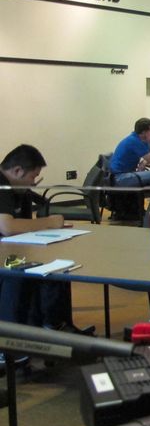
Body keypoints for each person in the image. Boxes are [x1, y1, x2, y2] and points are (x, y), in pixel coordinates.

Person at [0, 146, 82, 369]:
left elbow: (23, 227)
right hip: (6, 255)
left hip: (10, 251)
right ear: (17, 171)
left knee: (56, 266)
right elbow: (7, 227)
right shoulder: (2, 185)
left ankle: (53, 325)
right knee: (18, 274)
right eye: (33, 176)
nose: (35, 182)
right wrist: (49, 223)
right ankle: (9, 346)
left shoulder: (19, 191)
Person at [109, 117, 150, 186]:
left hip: (122, 175)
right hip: (121, 178)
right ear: (144, 132)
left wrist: (144, 162)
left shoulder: (135, 138)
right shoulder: (134, 141)